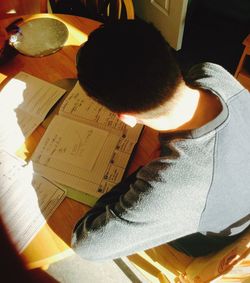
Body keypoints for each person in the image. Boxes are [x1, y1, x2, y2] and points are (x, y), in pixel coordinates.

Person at [71, 19, 250, 260]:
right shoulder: (211, 73)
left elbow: (87, 245)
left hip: (206, 239)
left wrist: (144, 175)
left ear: (126, 118)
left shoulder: (173, 185)